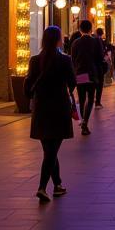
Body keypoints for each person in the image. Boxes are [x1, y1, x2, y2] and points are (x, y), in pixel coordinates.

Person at [25, 25, 77, 203]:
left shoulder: (34, 60)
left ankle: (58, 185)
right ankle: (42, 187)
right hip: (59, 108)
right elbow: (72, 82)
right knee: (51, 151)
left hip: (41, 109)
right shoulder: (65, 60)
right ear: (58, 40)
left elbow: (28, 85)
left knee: (49, 149)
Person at [70, 20, 104, 134]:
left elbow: (73, 59)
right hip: (92, 73)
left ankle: (82, 120)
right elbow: (100, 58)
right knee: (90, 99)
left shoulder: (76, 43)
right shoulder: (96, 41)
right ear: (91, 29)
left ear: (80, 29)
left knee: (82, 97)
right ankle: (85, 122)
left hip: (81, 73)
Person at [95, 28, 110, 105]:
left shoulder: (92, 40)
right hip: (99, 66)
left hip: (90, 67)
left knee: (91, 84)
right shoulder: (101, 42)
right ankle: (97, 102)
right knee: (99, 84)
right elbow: (103, 54)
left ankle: (90, 100)